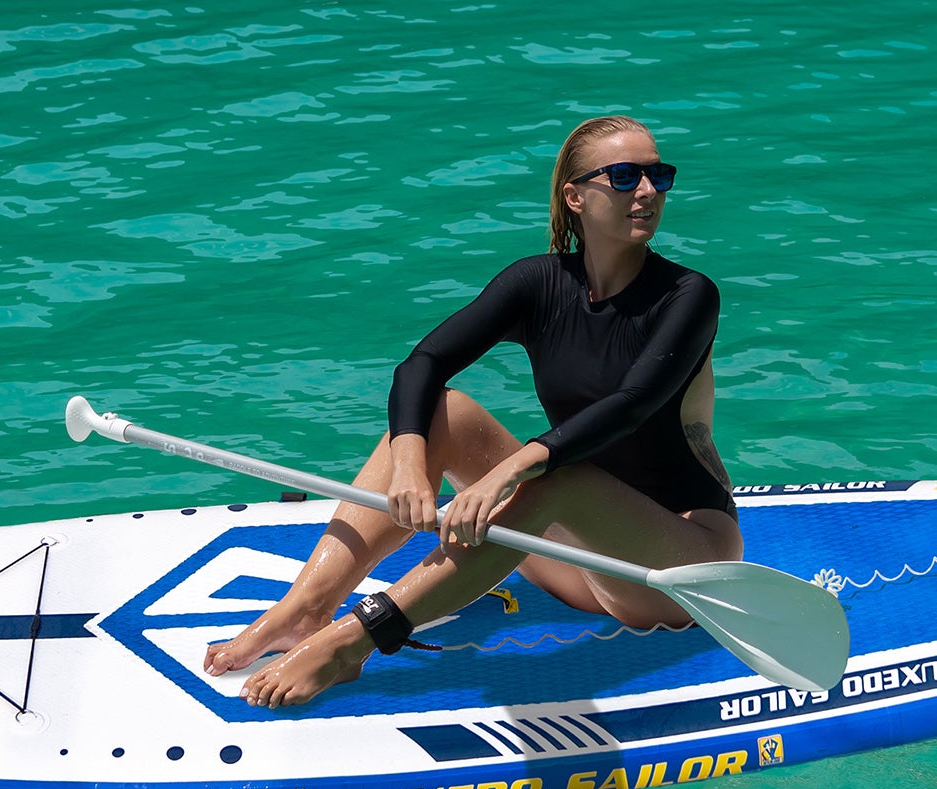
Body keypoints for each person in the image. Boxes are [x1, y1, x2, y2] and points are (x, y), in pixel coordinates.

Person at [203, 115, 742, 709]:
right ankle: (306, 608)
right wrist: (411, 463)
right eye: (623, 176)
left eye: (657, 176)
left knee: (559, 476)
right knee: (446, 412)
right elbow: (423, 364)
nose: (646, 191)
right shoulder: (537, 283)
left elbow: (630, 407)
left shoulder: (688, 296)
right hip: (568, 559)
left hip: (675, 569)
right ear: (575, 196)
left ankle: (354, 640)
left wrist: (506, 473)